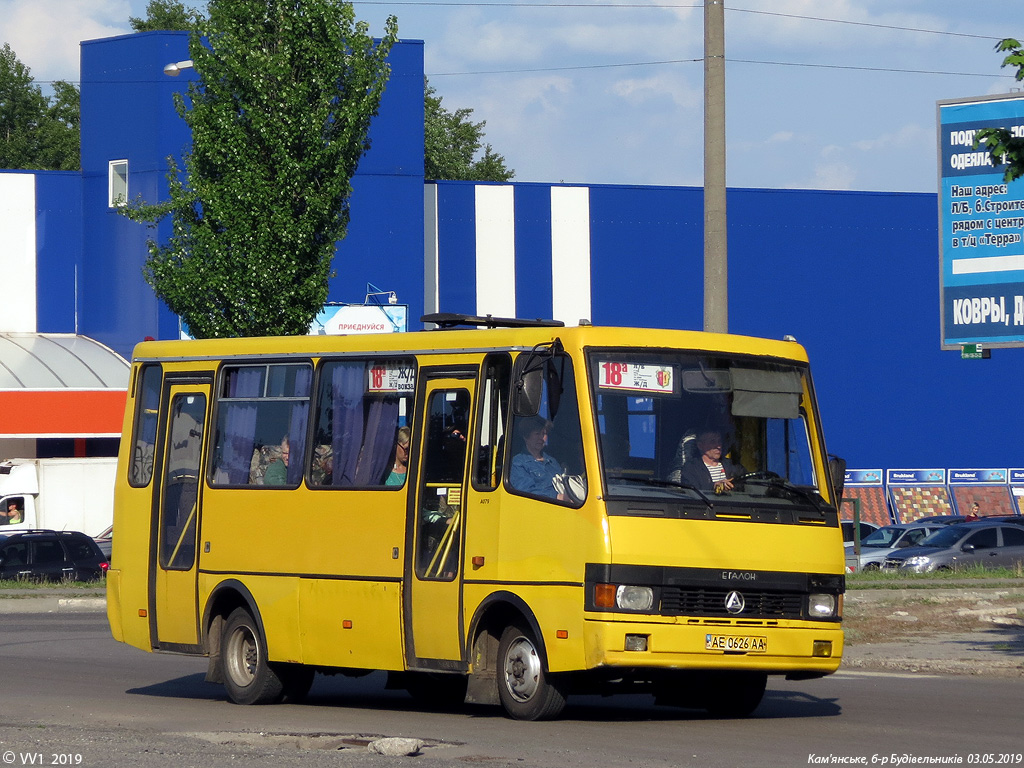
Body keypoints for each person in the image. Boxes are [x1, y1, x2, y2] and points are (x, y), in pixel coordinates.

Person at [510, 416, 566, 500]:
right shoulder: (518, 463)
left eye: (544, 434)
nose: (541, 438)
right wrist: (556, 497)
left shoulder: (552, 461)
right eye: (537, 434)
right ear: (526, 437)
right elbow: (526, 492)